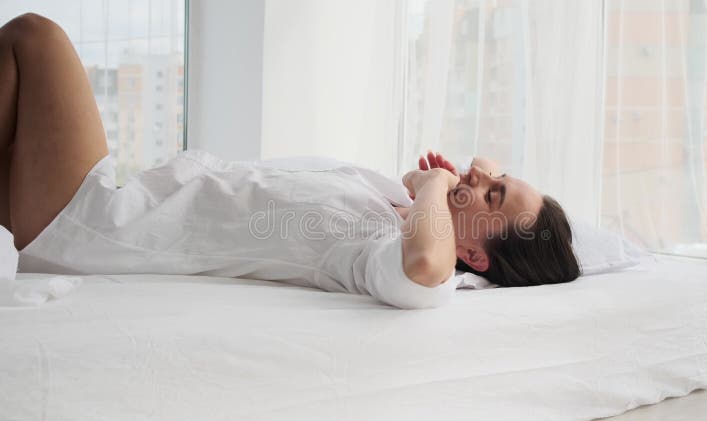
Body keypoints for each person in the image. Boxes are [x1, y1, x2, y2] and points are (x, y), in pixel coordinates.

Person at [0, 13, 580, 309]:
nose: (481, 176)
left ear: (475, 255)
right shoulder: (397, 211)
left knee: (36, 37)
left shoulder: (391, 258)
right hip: (117, 210)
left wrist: (437, 186)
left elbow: (426, 268)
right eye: (497, 180)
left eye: (495, 196)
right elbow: (457, 180)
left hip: (98, 227)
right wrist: (444, 186)